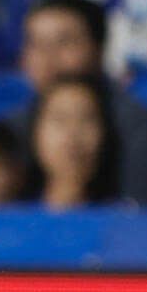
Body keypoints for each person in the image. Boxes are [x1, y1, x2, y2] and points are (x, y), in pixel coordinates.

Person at [11, 0, 147, 205]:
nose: (47, 58)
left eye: (64, 42)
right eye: (36, 44)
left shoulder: (137, 127)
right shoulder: (13, 128)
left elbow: (144, 217)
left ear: (99, 48)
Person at [26, 74, 123, 208]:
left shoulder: (127, 218)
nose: (73, 134)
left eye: (86, 120)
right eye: (60, 119)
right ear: (36, 133)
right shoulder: (8, 216)